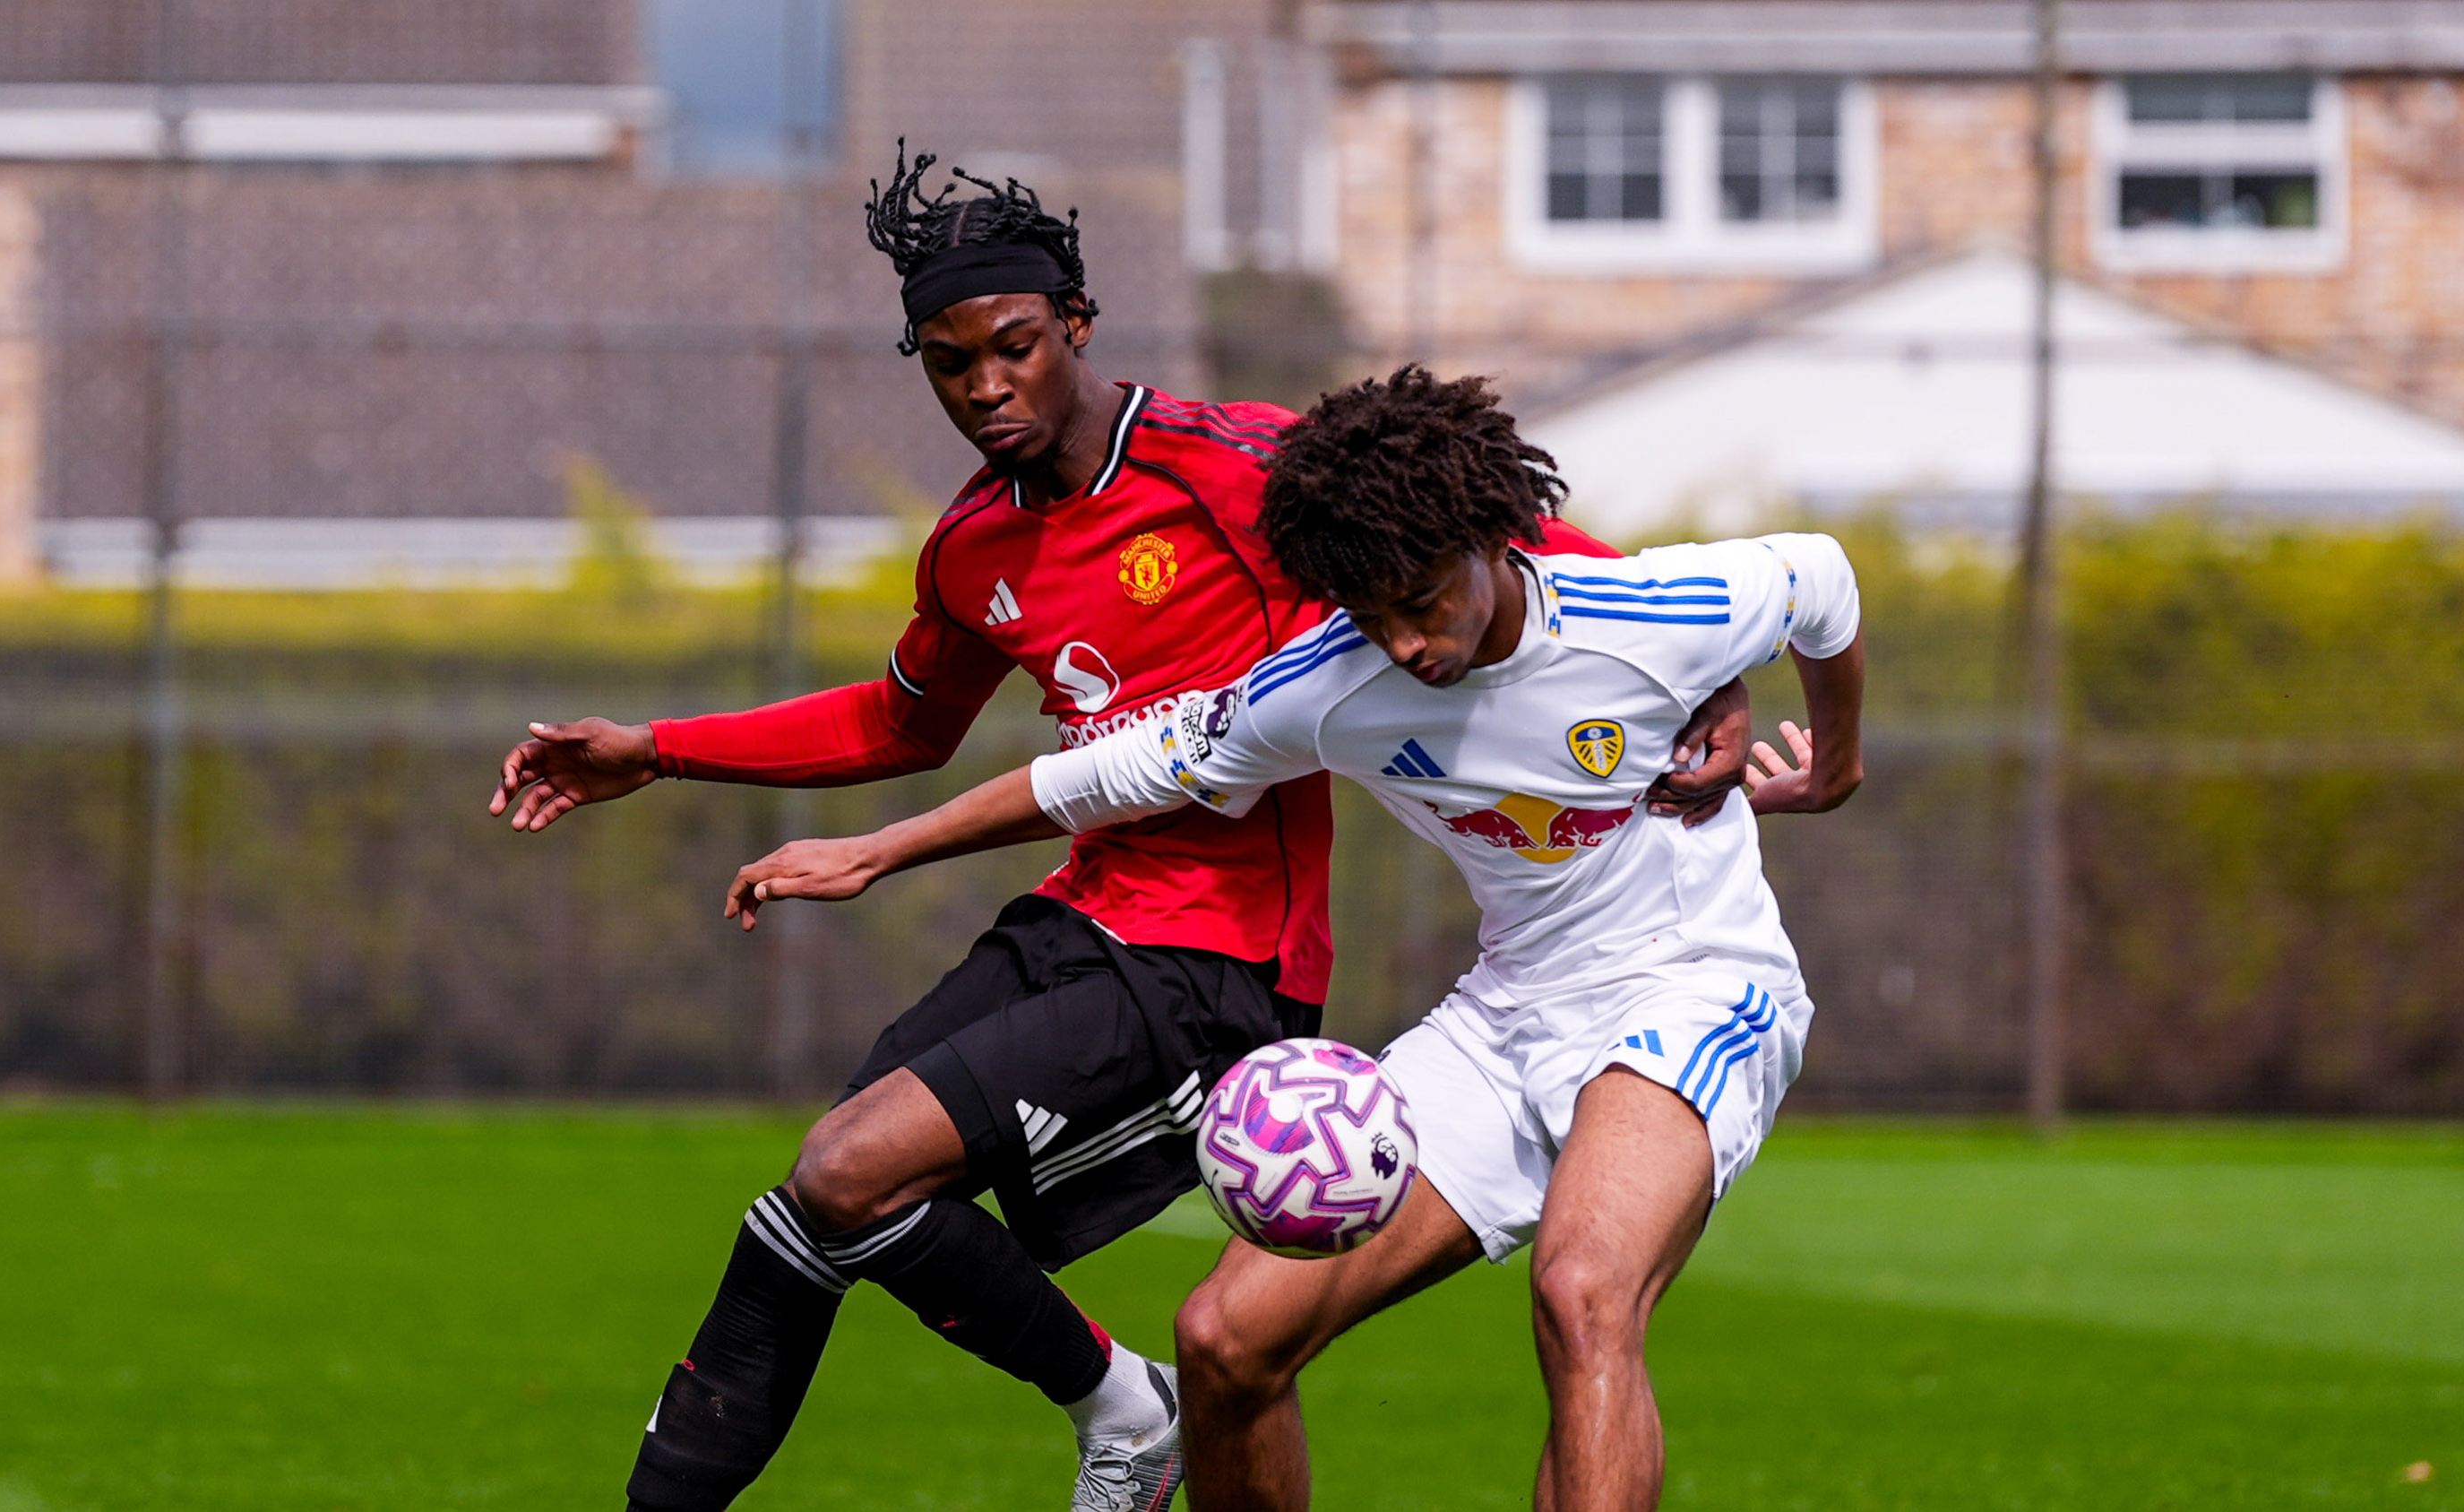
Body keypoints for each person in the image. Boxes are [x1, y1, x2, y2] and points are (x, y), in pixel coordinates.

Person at [487, 149, 1754, 1512]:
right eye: (948, 361)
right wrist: (656, 748)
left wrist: (1707, 673)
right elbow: (901, 722)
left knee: (852, 1167)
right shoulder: (974, 544)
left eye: (1015, 347)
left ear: (1076, 324)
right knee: (824, 1200)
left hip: (1216, 964)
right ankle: (1125, 1405)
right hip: (1081, 915)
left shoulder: (1233, 468)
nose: (985, 386)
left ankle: (1120, 1403)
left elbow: (1493, 530)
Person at [723, 367, 1865, 1512]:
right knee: (1226, 1335)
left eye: (1423, 597)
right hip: (1507, 1012)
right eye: (1373, 614)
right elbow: (1110, 771)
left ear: (1487, 535)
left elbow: (1821, 580)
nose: (1409, 643)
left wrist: (1837, 764)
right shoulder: (1328, 685)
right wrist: (880, 848)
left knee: (1582, 1292)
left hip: (1692, 986)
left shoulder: (1649, 614)